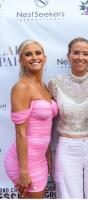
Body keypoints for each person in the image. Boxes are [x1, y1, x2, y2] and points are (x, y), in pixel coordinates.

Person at [48, 37, 88, 198]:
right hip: (66, 146)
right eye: (76, 53)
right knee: (68, 195)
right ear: (68, 56)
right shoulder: (55, 83)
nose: (80, 57)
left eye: (85, 53)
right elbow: (46, 119)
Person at [4, 40, 58, 198]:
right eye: (28, 54)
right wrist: (23, 171)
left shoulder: (44, 86)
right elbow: (21, 134)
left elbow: (44, 127)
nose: (34, 57)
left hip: (39, 158)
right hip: (24, 162)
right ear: (21, 60)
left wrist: (47, 155)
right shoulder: (21, 87)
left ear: (45, 57)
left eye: (38, 53)